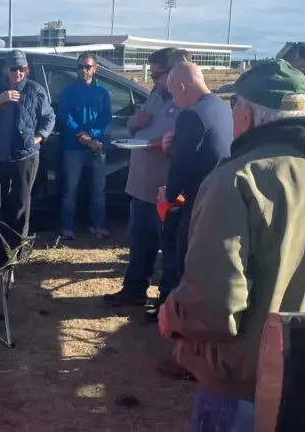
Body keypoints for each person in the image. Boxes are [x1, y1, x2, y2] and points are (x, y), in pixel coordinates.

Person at [158, 60, 305, 432]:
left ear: (244, 115)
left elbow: (214, 305)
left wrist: (172, 315)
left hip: (250, 387)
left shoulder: (237, 179)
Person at [148, 61, 233, 320]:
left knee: (177, 249)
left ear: (183, 87)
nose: (174, 101)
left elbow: (182, 163)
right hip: (219, 192)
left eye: (174, 94)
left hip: (197, 196)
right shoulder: (220, 106)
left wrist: (169, 195)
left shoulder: (190, 115)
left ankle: (174, 311)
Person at [103, 48, 188, 307]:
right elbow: (137, 122)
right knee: (140, 242)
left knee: (170, 247)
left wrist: (161, 144)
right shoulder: (155, 94)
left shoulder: (186, 101)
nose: (153, 81)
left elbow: (186, 142)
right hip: (141, 185)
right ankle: (134, 289)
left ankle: (167, 298)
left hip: (166, 187)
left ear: (174, 72)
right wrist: (134, 123)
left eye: (157, 75)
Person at [0, 50, 55, 237]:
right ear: (6, 70)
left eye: (21, 69)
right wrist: (0, 99)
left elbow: (49, 117)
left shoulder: (35, 90)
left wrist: (40, 136)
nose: (17, 73)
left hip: (26, 154)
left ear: (26, 70)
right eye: (14, 68)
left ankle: (18, 242)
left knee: (21, 201)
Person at [58, 53, 112, 240]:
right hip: (73, 146)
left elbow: (105, 118)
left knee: (98, 190)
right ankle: (67, 228)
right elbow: (65, 116)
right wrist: (81, 134)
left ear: (94, 69)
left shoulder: (103, 93)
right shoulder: (68, 91)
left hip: (96, 146)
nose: (83, 70)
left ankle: (97, 225)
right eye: (80, 67)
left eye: (87, 67)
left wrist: (93, 137)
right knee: (70, 190)